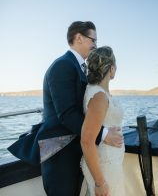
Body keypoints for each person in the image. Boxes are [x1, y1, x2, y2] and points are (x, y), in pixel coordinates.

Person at [8, 21, 123, 196]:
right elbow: (67, 114)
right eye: (94, 40)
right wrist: (104, 134)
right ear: (79, 38)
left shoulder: (77, 67)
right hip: (59, 154)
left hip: (75, 151)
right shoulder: (62, 66)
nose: (95, 45)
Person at [80, 46, 125, 196]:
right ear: (111, 68)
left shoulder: (97, 91)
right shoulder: (99, 96)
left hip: (111, 162)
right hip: (105, 167)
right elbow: (86, 141)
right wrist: (100, 182)